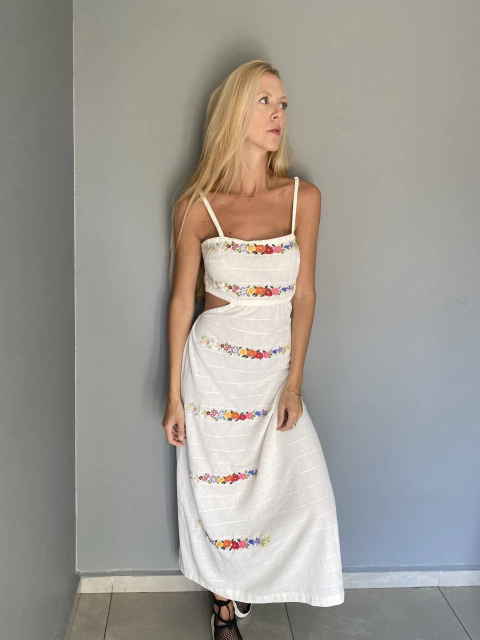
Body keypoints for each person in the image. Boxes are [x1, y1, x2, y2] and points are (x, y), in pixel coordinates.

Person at [163, 60, 345, 640]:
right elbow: (182, 302)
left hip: (273, 377)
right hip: (212, 376)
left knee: (307, 499)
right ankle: (224, 603)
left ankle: (248, 583)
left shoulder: (303, 198)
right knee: (217, 495)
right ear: (234, 113)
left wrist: (294, 384)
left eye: (282, 103)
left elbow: (305, 296)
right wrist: (173, 397)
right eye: (265, 101)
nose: (277, 114)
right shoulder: (196, 206)